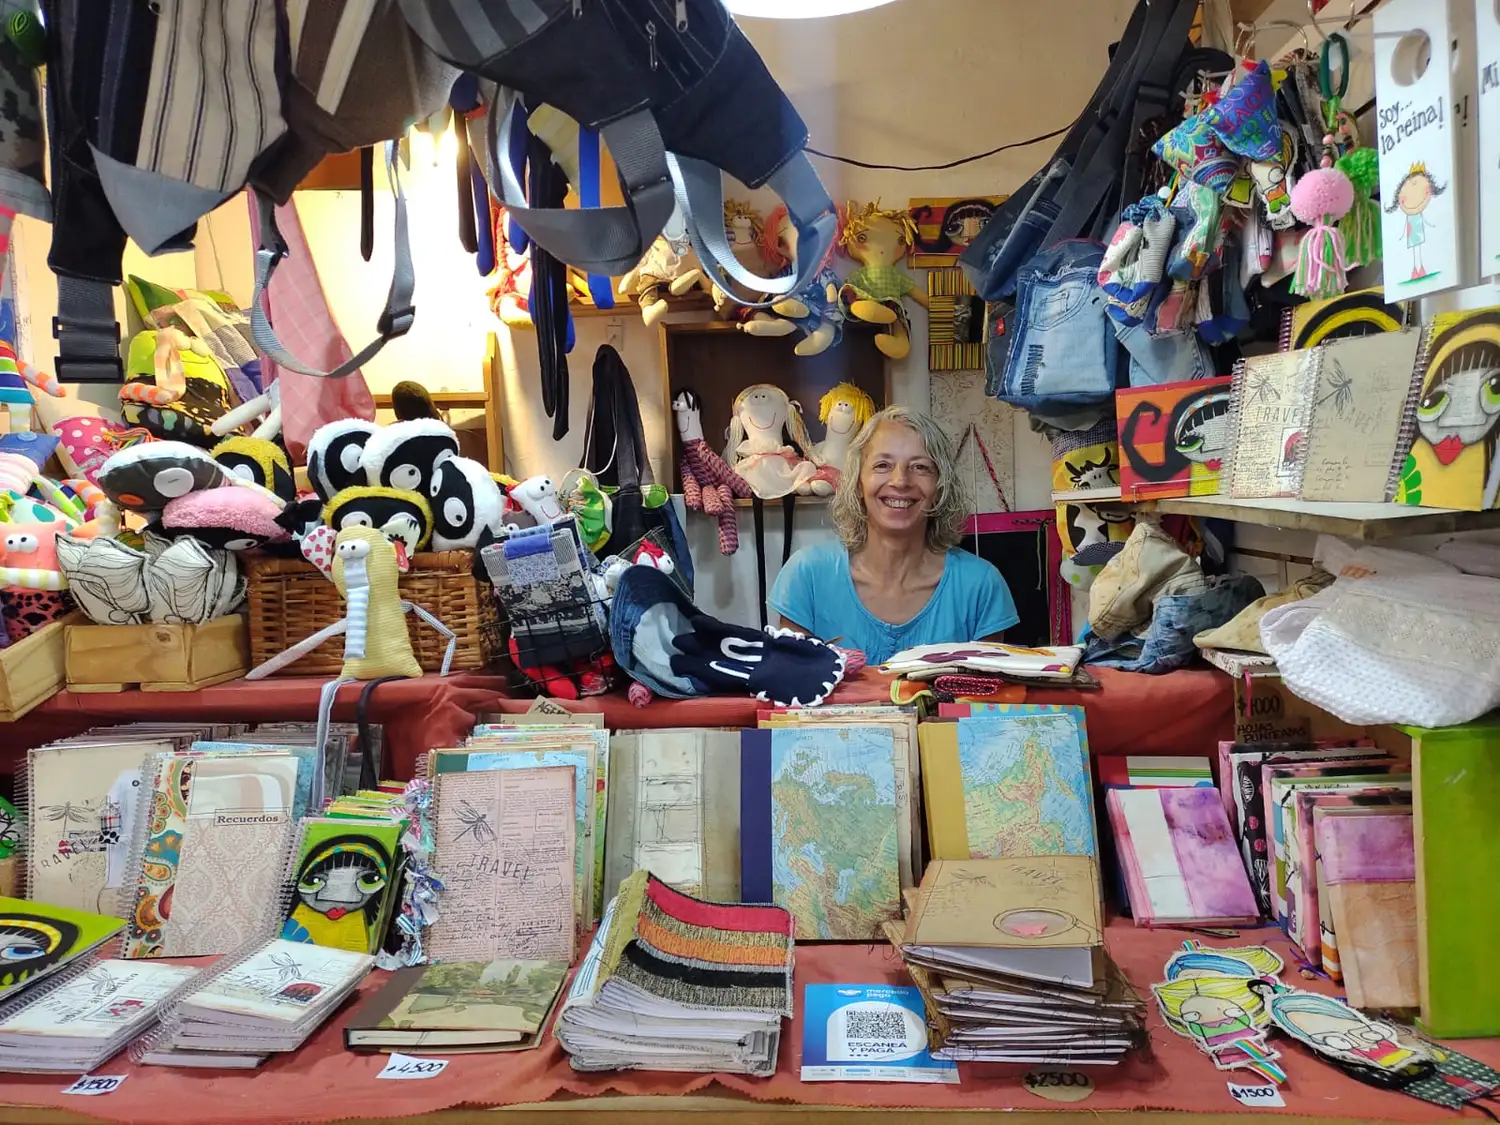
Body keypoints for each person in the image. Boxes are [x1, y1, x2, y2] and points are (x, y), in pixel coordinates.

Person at [769, 405, 1017, 665]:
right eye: (883, 465)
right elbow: (791, 691)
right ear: (857, 481)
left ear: (940, 486)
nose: (900, 481)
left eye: (920, 467)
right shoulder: (807, 575)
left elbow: (984, 701)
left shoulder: (981, 585)